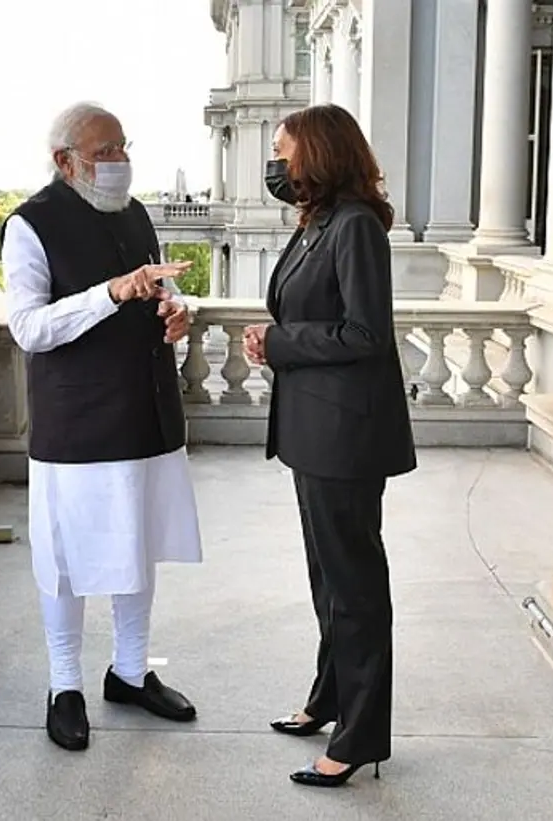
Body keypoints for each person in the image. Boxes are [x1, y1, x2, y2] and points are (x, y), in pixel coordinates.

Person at [1, 102, 203, 752]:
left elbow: (158, 291)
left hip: (145, 409)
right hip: (78, 421)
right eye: (103, 152)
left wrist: (175, 313)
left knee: (136, 542)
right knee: (67, 555)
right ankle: (64, 683)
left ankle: (131, 669)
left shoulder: (135, 212)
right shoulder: (30, 226)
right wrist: (110, 294)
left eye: (123, 148)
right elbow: (29, 327)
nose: (118, 163)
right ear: (65, 161)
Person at [243, 104, 417, 788]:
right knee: (328, 578)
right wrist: (274, 341)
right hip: (314, 433)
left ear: (317, 153)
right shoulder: (317, 224)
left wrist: (279, 343)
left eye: (284, 153)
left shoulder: (356, 228)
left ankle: (362, 734)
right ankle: (329, 697)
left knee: (355, 587)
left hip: (346, 438)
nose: (277, 166)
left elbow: (367, 334)